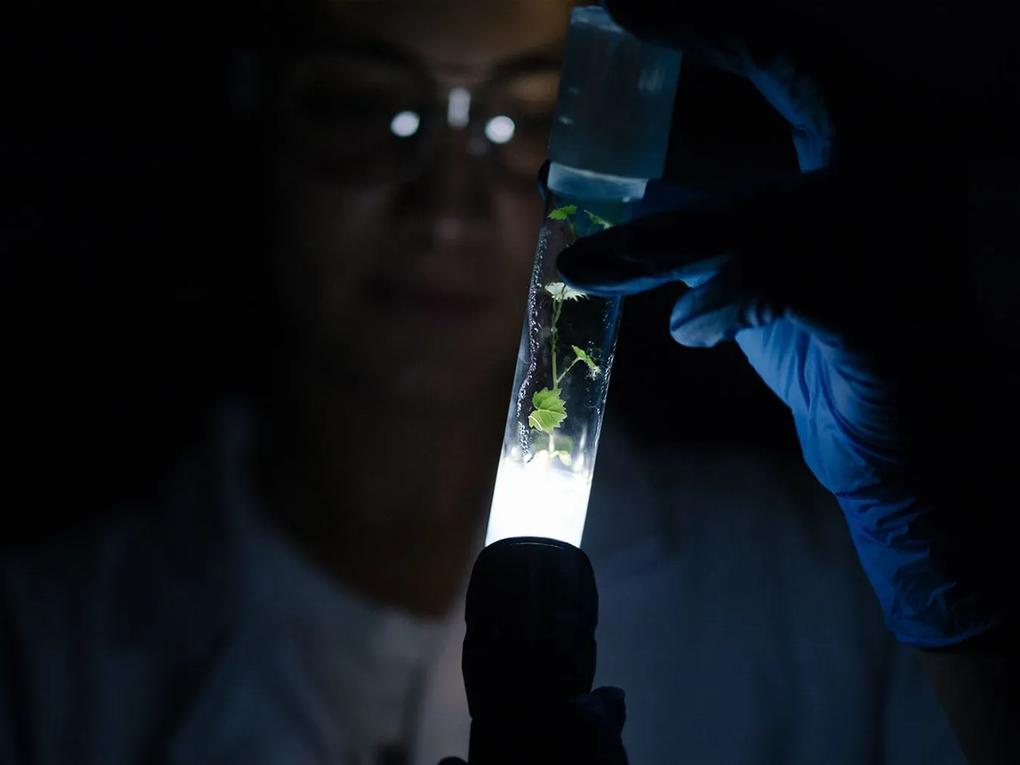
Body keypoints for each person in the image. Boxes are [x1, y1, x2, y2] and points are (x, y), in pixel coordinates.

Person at [0, 0, 984, 762]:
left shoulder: (820, 596)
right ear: (257, 106)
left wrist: (970, 595)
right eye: (370, 107)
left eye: (528, 118)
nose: (448, 207)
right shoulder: (41, 656)